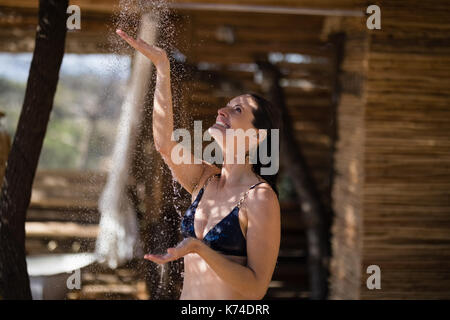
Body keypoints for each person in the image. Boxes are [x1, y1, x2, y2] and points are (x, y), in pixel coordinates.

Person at [117, 29, 281, 300]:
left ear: (256, 137)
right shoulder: (206, 179)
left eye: (237, 110)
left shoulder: (260, 198)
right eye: (226, 105)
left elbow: (255, 288)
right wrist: (162, 68)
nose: (222, 111)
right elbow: (165, 144)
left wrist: (200, 249)